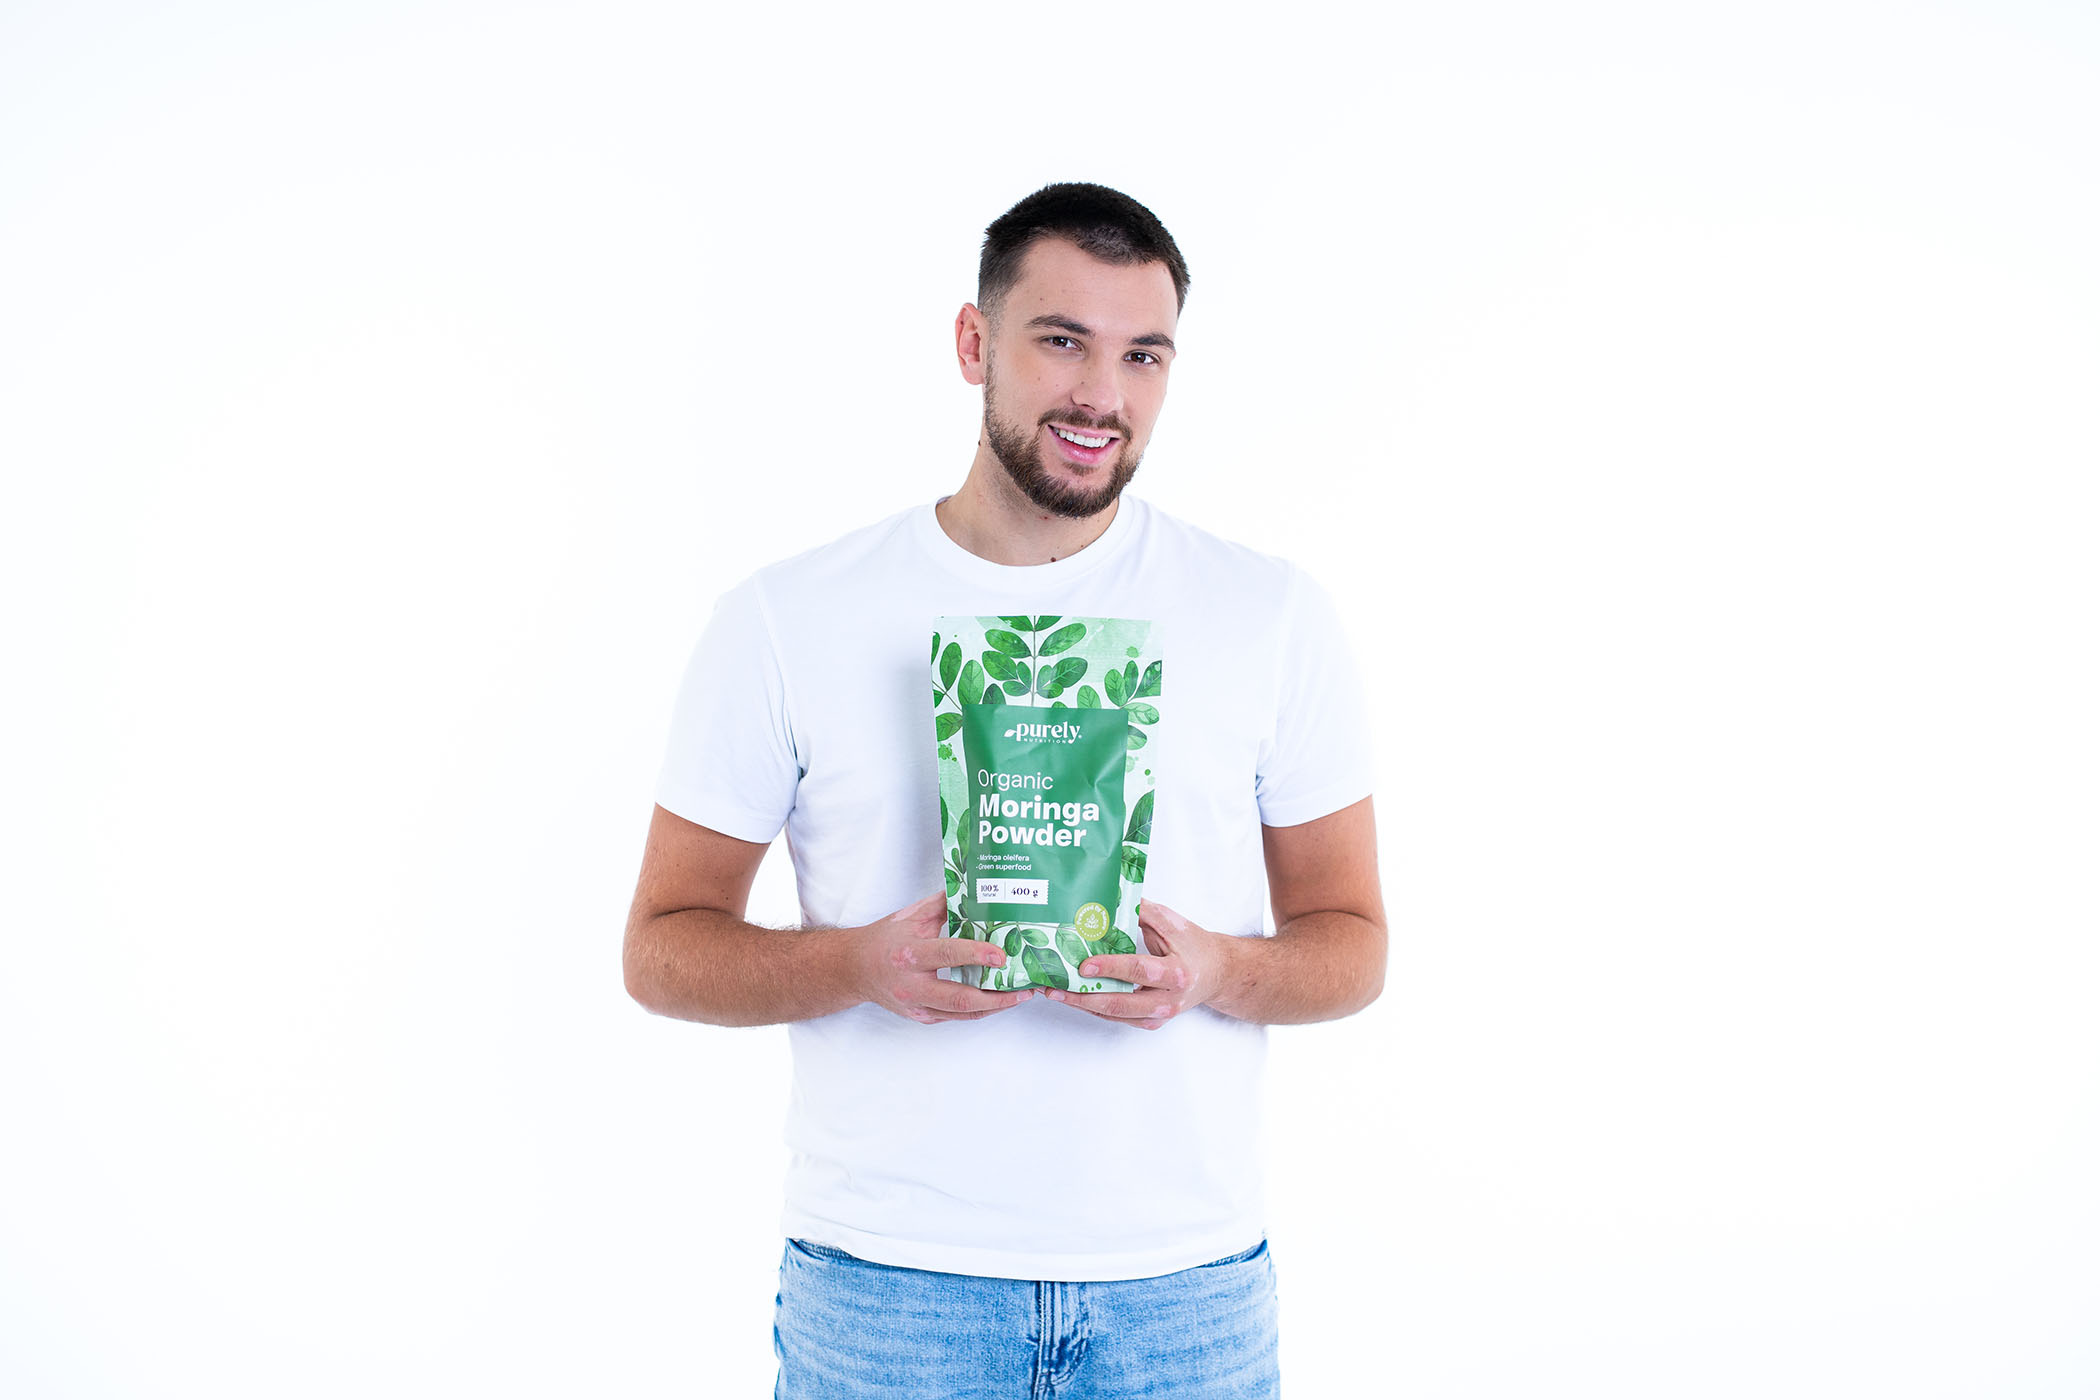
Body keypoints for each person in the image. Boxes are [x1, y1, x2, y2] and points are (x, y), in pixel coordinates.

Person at [625, 182, 1385, 1399]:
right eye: (1062, 340)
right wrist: (858, 964)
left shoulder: (1268, 615)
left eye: (1143, 354)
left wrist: (1216, 972)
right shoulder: (788, 618)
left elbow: (1352, 942)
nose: (1103, 395)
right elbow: (663, 948)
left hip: (1181, 1292)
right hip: (889, 1293)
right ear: (974, 342)